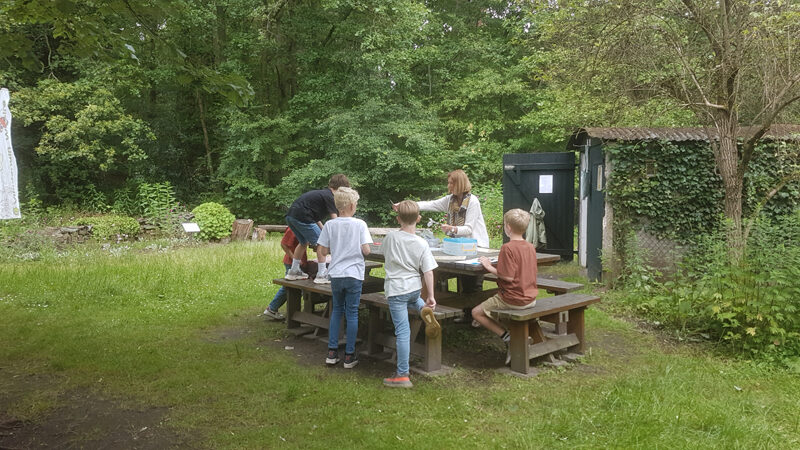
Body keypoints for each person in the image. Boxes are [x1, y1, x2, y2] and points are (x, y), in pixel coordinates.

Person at [381, 200, 441, 388]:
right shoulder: (422, 243)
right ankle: (422, 307)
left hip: (396, 290)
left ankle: (402, 375)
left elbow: (383, 253)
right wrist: (430, 296)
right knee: (415, 299)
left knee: (402, 332)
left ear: (398, 219)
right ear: (419, 218)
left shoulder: (391, 238)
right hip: (414, 289)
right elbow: (428, 271)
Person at [471, 208, 539, 364]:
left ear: (508, 227)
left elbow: (507, 277)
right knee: (491, 302)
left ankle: (508, 338)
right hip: (531, 297)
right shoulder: (530, 247)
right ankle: (512, 334)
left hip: (513, 299)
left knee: (476, 313)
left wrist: (488, 266)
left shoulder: (507, 248)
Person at [317, 187, 372, 368]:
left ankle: (332, 352)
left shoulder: (329, 225)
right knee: (352, 312)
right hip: (354, 273)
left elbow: (323, 251)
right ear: (350, 205)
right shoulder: (360, 224)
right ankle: (349, 355)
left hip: (336, 273)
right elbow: (366, 250)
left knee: (337, 311)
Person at [285, 174, 350, 284]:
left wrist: (324, 230)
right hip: (303, 217)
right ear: (341, 188)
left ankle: (294, 271)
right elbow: (336, 220)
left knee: (303, 242)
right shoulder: (331, 196)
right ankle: (321, 274)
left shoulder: (322, 194)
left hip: (291, 216)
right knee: (321, 243)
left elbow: (316, 218)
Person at [405, 169, 490, 248]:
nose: (448, 186)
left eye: (451, 183)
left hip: (477, 246)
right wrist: (407, 205)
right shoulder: (450, 200)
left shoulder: (473, 201)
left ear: (459, 184)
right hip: (460, 246)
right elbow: (431, 204)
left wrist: (451, 228)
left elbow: (468, 229)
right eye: (448, 183)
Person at [263, 228, 308, 320]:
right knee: (288, 287)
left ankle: (303, 311)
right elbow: (283, 244)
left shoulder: (303, 225)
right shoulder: (293, 228)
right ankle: (272, 308)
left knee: (294, 287)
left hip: (299, 261)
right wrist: (294, 259)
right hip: (291, 263)